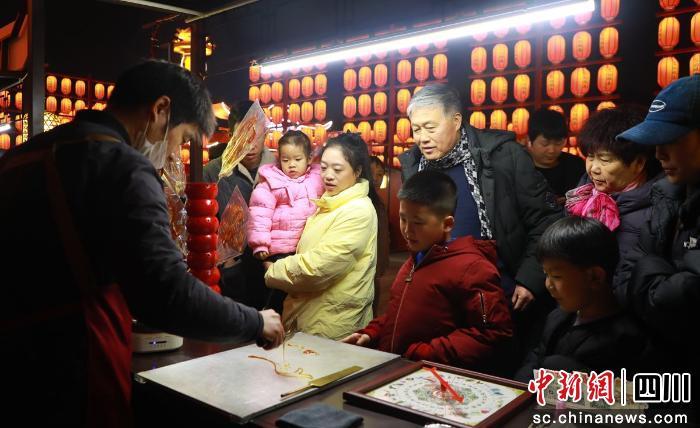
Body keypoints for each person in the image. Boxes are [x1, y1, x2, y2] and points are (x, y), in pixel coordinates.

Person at [0, 61, 284, 427]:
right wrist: (254, 322)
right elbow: (165, 291)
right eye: (181, 137)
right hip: (72, 370)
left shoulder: (21, 156)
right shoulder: (123, 166)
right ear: (160, 109)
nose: (173, 154)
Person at [398, 83, 561, 361]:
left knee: (496, 365)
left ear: (456, 120)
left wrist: (530, 279)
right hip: (439, 295)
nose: (422, 138)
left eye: (430, 128)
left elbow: (546, 218)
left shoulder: (502, 156)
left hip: (499, 290)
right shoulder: (414, 165)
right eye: (416, 129)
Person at [343, 170, 513, 374]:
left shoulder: (472, 268)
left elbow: (493, 333)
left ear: (447, 224)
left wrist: (425, 353)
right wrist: (372, 333)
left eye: (418, 223)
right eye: (403, 219)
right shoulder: (416, 258)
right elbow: (399, 314)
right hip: (400, 370)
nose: (407, 230)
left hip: (432, 377)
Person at [615, 75, 700, 420]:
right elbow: (623, 282)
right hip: (657, 372)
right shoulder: (666, 195)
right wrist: (658, 277)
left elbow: (686, 306)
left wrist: (648, 271)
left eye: (671, 140)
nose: (658, 153)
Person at [264, 133, 380, 340]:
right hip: (310, 315)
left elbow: (319, 267)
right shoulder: (328, 202)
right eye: (324, 168)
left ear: (357, 171)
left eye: (337, 169)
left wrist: (274, 270)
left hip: (332, 324)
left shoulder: (358, 210)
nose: (328, 175)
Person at [515, 217, 650, 382]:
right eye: (546, 274)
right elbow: (534, 361)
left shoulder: (625, 340)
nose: (548, 284)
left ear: (594, 277)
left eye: (556, 276)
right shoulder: (557, 318)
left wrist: (554, 368)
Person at [565, 107, 662, 303]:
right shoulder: (581, 196)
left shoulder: (658, 210)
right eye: (590, 156)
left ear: (638, 163)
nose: (593, 168)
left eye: (605, 160)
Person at [203, 100, 275, 307]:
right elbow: (202, 225)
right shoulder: (213, 172)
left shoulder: (281, 168)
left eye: (256, 135)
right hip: (231, 276)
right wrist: (227, 264)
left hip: (273, 269)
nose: (250, 145)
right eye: (242, 136)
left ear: (265, 133)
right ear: (231, 136)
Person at [247, 130, 324, 313]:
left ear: (309, 158)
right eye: (286, 160)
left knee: (299, 297)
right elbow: (259, 212)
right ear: (278, 159)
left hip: (305, 247)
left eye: (297, 159)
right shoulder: (271, 182)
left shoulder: (316, 179)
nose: (291, 165)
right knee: (278, 294)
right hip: (280, 249)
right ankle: (268, 318)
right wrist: (260, 244)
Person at [527, 108, 585, 205]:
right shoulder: (519, 167)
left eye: (558, 143)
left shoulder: (576, 165)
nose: (552, 150)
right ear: (529, 139)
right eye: (545, 144)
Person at [369, 155, 390, 313]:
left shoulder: (378, 200)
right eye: (372, 174)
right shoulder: (361, 200)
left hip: (376, 260)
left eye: (380, 174)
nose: (376, 179)